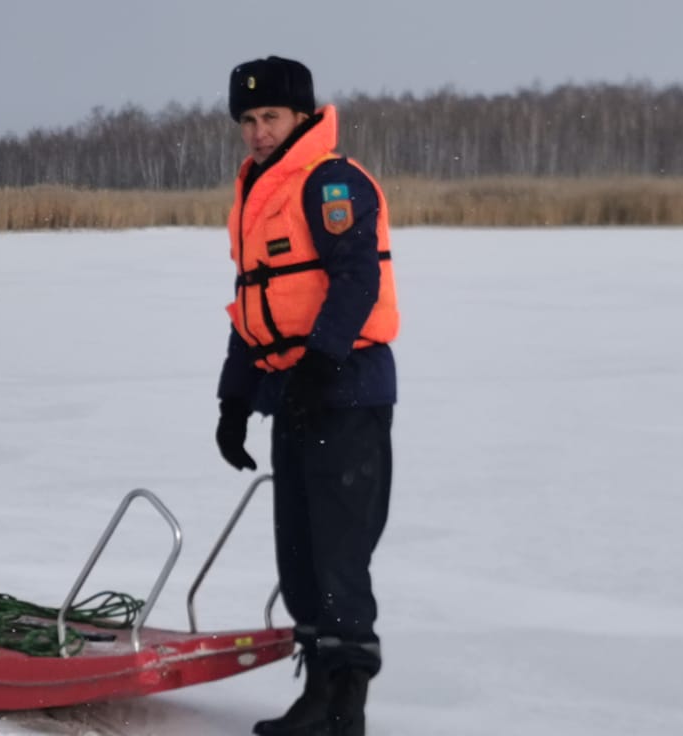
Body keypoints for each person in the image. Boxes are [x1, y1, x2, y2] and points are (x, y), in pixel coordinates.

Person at [212, 56, 399, 736]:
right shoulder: (260, 194)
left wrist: (321, 367)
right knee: (299, 553)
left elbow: (356, 284)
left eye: (272, 118)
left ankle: (345, 707)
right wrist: (234, 402)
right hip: (291, 396)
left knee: (339, 553)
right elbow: (254, 306)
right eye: (249, 121)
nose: (259, 132)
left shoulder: (329, 183)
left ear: (302, 117)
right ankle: (317, 694)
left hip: (346, 393)